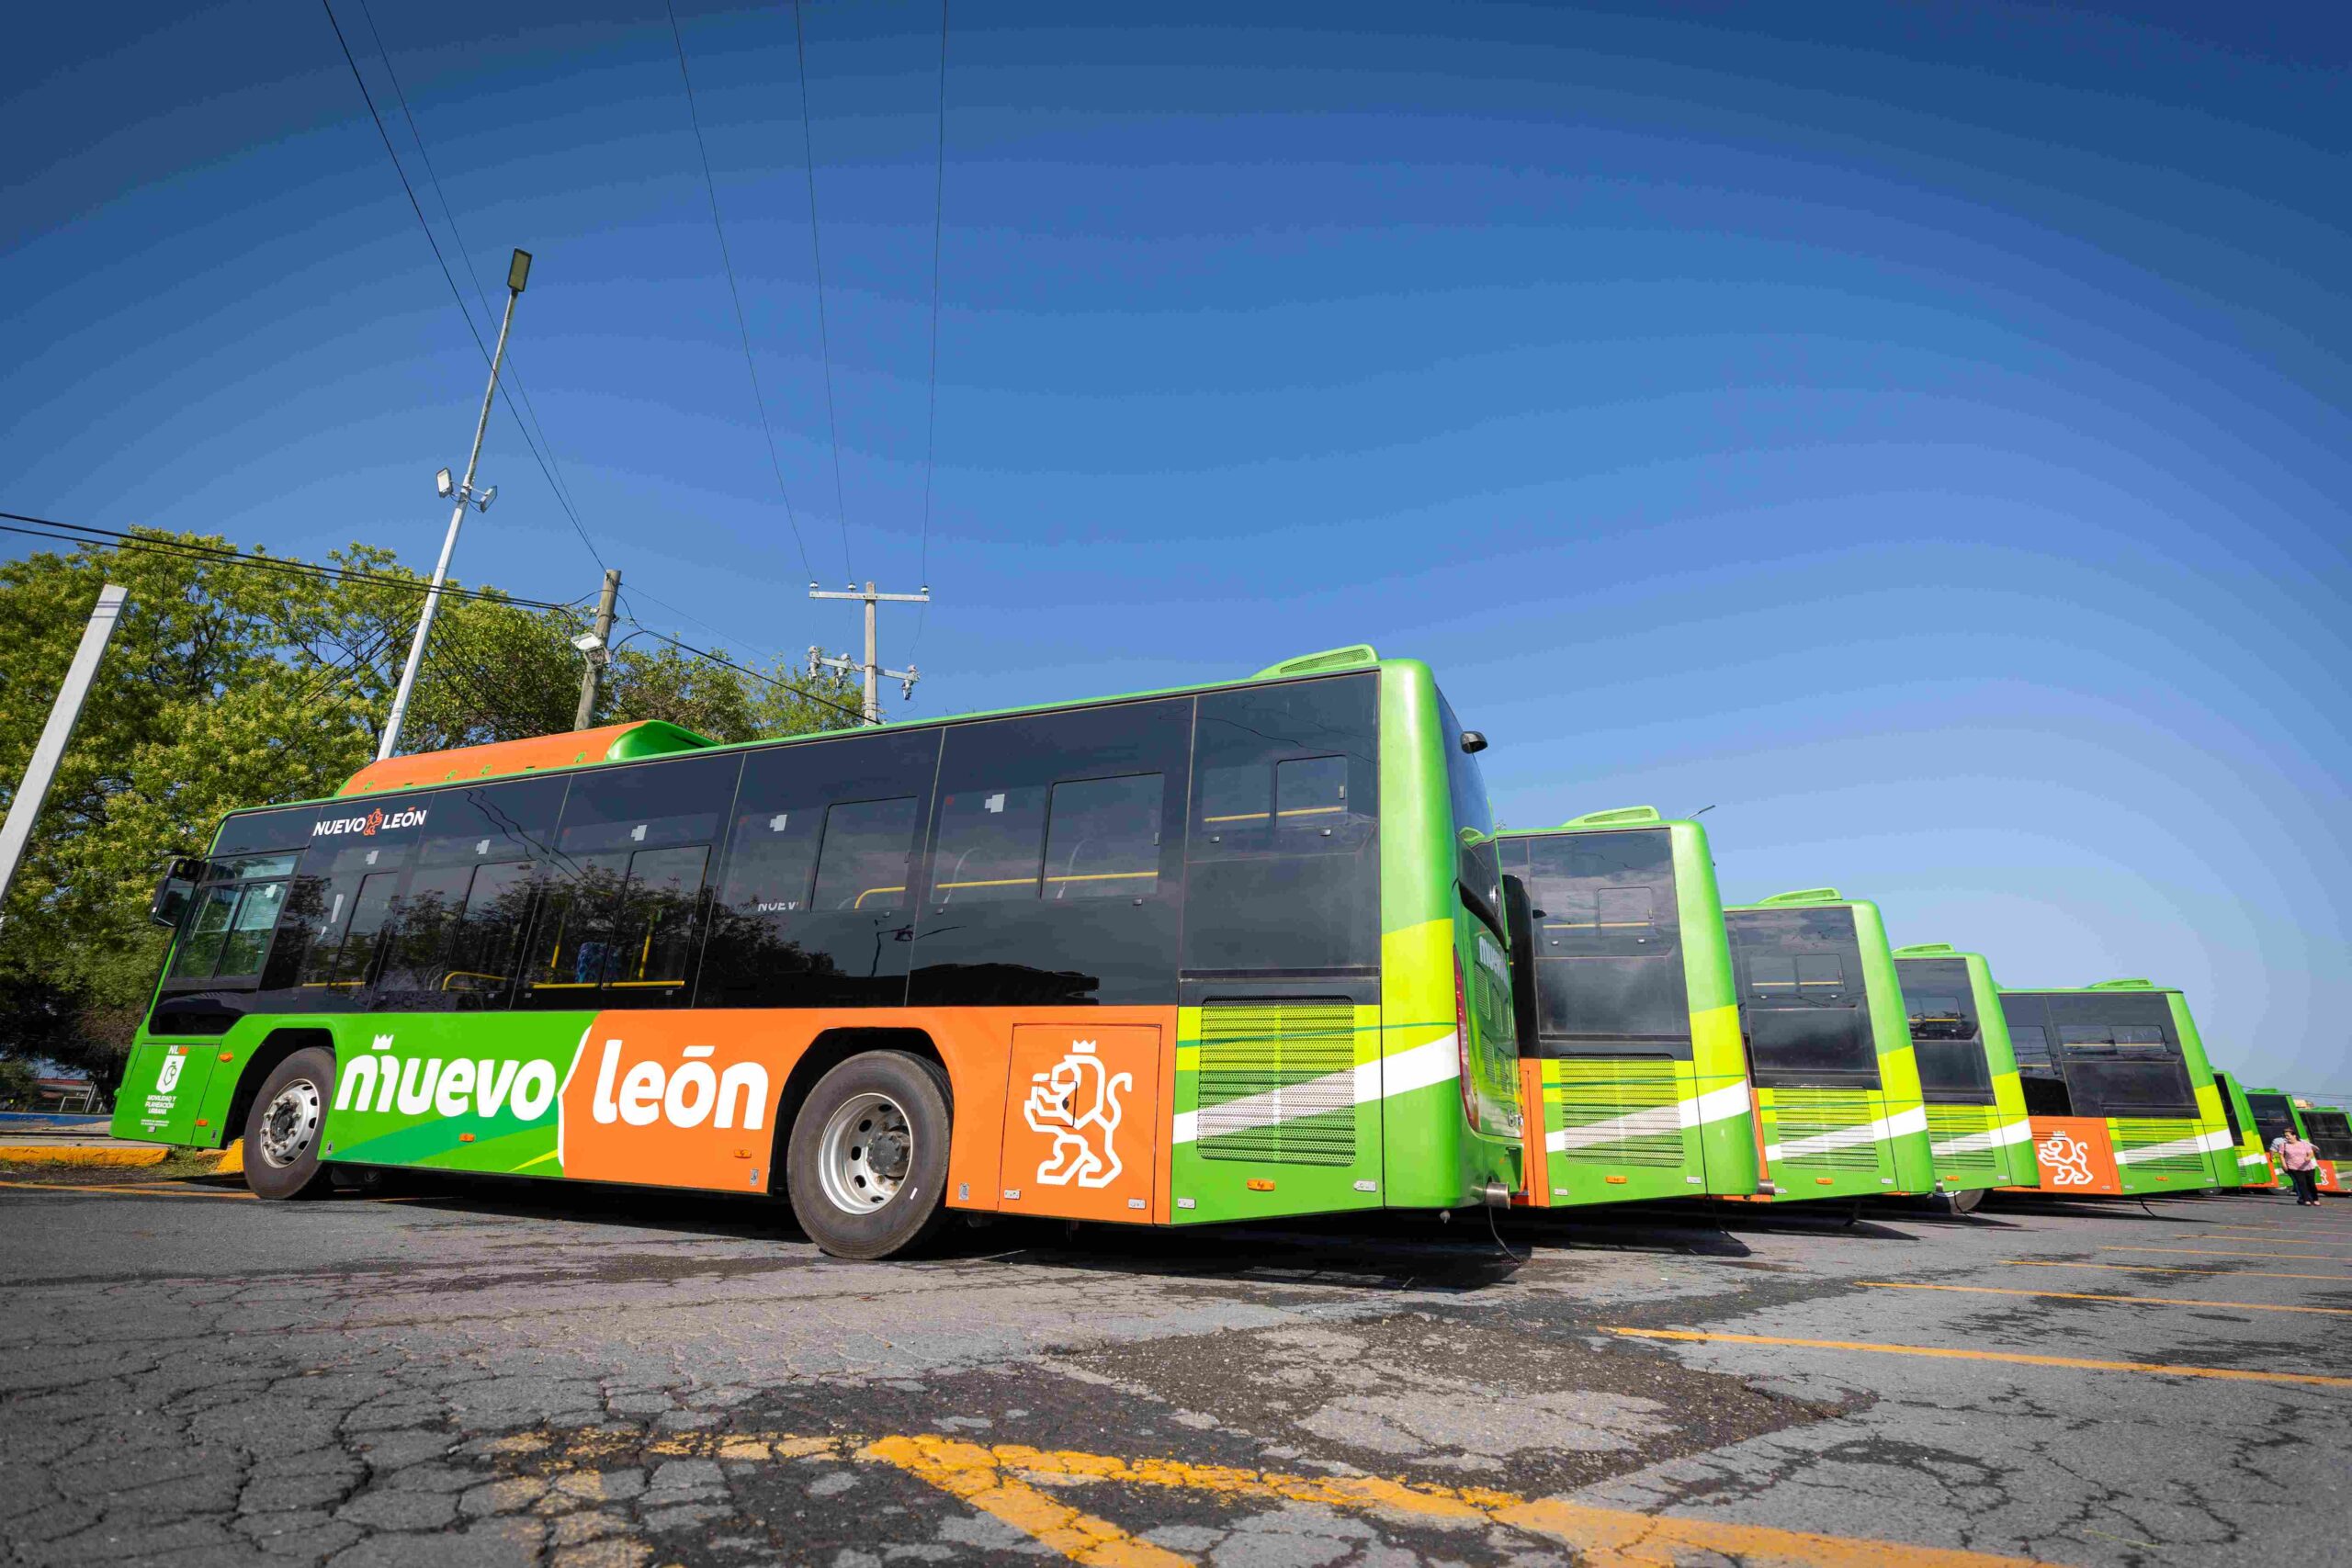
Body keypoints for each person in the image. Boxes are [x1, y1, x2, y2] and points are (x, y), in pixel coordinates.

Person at [2276, 1130, 2323, 1206]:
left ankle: (2315, 1199)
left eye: (2288, 1136)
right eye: (2285, 1136)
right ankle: (2306, 1200)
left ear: (2294, 1136)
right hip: (2294, 1167)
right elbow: (2281, 1156)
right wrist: (2284, 1165)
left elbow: (2311, 1153)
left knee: (2311, 1184)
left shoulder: (2304, 1144)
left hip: (2308, 1167)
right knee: (2301, 1183)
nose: (2286, 1137)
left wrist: (2308, 1158)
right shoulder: (2283, 1145)